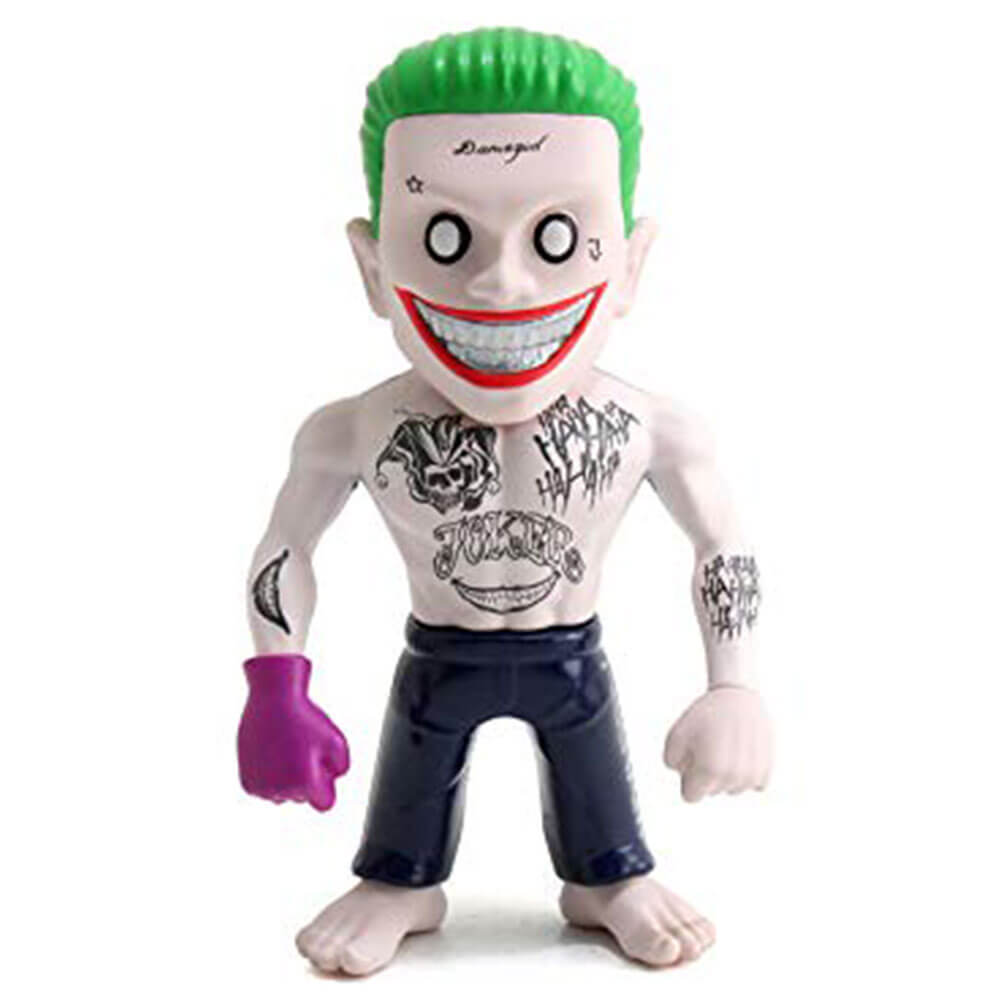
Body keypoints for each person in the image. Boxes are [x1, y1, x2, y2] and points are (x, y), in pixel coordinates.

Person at [238, 27, 772, 977]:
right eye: (446, 237)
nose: (501, 283)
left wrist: (734, 684)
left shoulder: (653, 428)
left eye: (556, 235)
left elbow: (719, 541)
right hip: (438, 655)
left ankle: (607, 873)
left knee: (594, 786)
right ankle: (401, 878)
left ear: (630, 264)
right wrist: (275, 687)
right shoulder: (351, 431)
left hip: (572, 654)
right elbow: (289, 545)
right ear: (373, 266)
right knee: (416, 773)